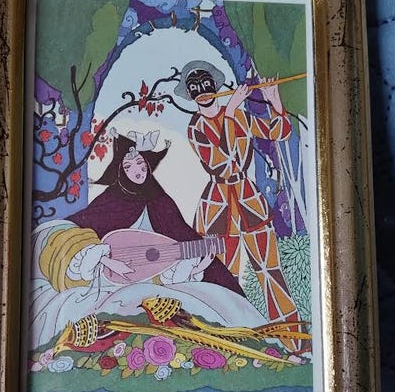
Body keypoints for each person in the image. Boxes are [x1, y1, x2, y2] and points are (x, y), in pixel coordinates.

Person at [29, 129, 269, 350]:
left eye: (141, 164)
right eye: (129, 166)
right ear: (120, 170)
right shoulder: (111, 201)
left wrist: (197, 267)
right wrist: (108, 261)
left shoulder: (161, 202)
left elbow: (176, 243)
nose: (138, 170)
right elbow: (81, 235)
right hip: (109, 283)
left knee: (214, 302)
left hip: (158, 278)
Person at [174, 61, 302, 351]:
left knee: (270, 272)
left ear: (216, 85)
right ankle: (223, 346)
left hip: (250, 205)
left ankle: (294, 342)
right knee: (221, 279)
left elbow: (280, 131)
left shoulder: (241, 116)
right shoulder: (196, 128)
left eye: (206, 84)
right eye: (194, 88)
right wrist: (230, 114)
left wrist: (275, 101)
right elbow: (225, 165)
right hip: (217, 212)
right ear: (189, 95)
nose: (202, 92)